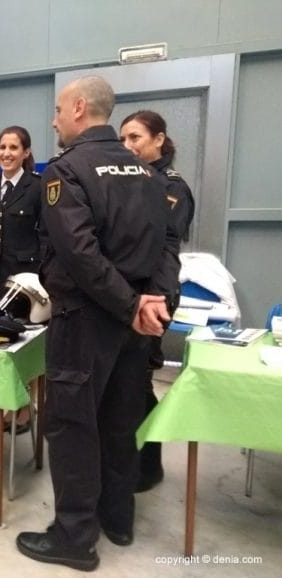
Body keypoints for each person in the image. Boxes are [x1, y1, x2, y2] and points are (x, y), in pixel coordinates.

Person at [15, 76, 180, 572]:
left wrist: (131, 305)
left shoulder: (66, 172)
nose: (54, 119)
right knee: (119, 420)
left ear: (80, 108)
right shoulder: (149, 175)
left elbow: (81, 255)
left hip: (87, 320)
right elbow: (169, 248)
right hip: (134, 326)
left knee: (71, 426)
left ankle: (74, 537)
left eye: (58, 110)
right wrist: (153, 302)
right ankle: (118, 519)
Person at [120, 110, 195, 492]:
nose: (128, 147)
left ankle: (149, 465)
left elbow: (161, 247)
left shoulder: (171, 187)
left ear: (159, 140)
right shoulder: (132, 181)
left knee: (139, 381)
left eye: (135, 138)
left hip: (155, 294)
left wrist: (152, 301)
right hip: (129, 295)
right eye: (124, 140)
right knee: (129, 382)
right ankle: (134, 459)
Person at [0, 126, 41, 435]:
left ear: (26, 152)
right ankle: (4, 404)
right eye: (2, 146)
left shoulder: (38, 187)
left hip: (26, 283)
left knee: (23, 346)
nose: (6, 153)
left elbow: (45, 236)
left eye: (14, 147)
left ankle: (25, 408)